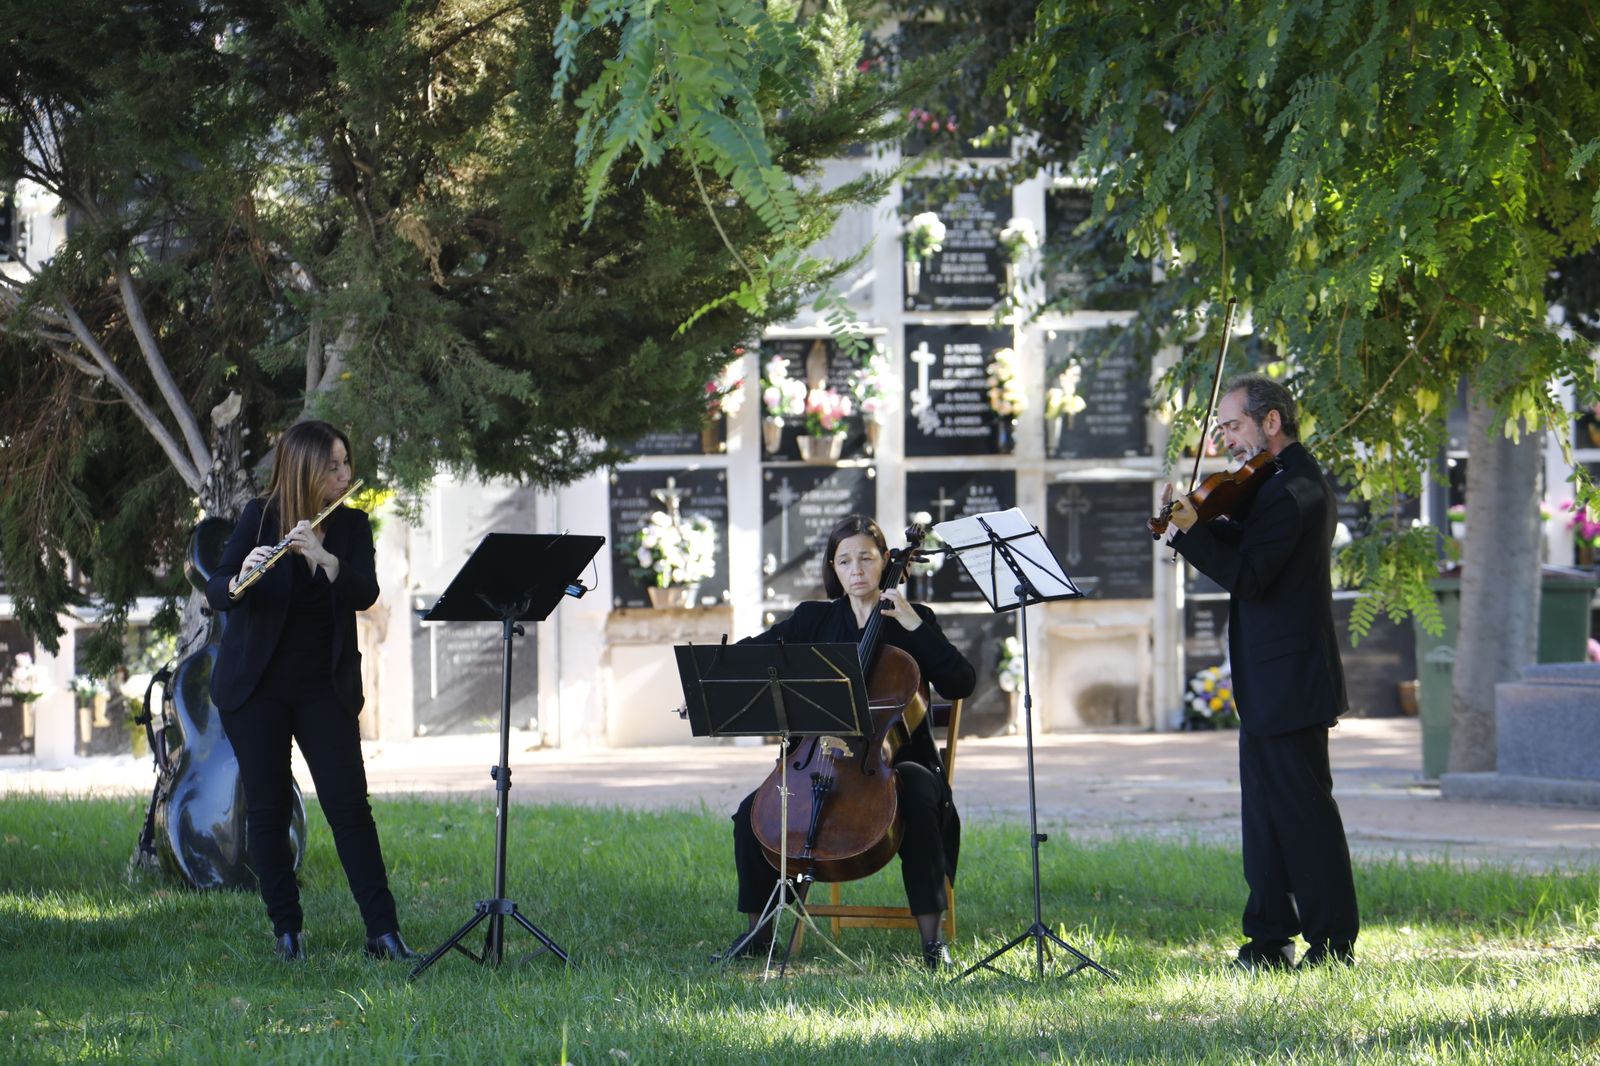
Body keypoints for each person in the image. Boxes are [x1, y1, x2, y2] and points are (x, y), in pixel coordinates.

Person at [715, 514, 976, 970]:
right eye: (844, 561)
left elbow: (961, 682)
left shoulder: (915, 621)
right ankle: (759, 935)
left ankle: (933, 943)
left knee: (914, 793)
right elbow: (759, 655)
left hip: (897, 767)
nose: (856, 570)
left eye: (866, 558)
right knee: (751, 812)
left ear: (885, 562)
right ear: (832, 569)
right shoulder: (815, 620)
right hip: (817, 762)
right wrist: (716, 667)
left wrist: (914, 622)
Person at [1162, 374, 1360, 970]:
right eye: (1220, 428)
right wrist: (1198, 522)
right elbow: (1246, 545)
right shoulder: (1272, 484)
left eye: (1232, 426)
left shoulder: (1295, 489)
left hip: (1292, 679)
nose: (1223, 440)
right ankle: (1269, 939)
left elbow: (1251, 576)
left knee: (1304, 816)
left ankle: (1332, 945)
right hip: (1272, 679)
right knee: (1266, 817)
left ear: (1271, 421)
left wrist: (1193, 534)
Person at [205, 420, 414, 963]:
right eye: (334, 466)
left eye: (347, 463)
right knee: (268, 811)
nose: (346, 475)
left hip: (324, 684)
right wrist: (238, 578)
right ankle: (288, 934)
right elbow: (219, 586)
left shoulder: (349, 526)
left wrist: (322, 559)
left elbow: (365, 592)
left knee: (349, 808)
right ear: (304, 469)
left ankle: (383, 933)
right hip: (258, 688)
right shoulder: (259, 517)